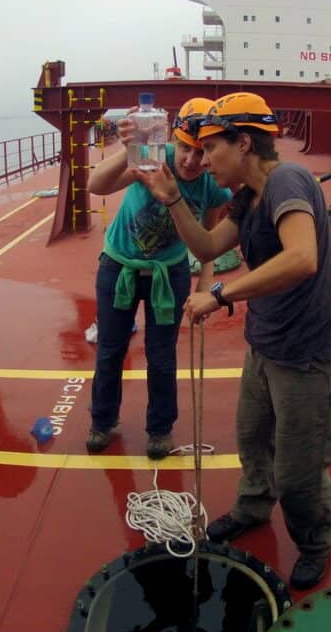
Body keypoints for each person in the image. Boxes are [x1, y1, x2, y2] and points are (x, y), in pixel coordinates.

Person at [135, 91, 331, 589]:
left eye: (212, 148)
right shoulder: (249, 197)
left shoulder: (286, 181)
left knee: (298, 472)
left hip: (307, 356)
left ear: (245, 143)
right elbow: (208, 245)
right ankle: (253, 508)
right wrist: (171, 199)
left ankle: (316, 540)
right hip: (266, 344)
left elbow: (302, 258)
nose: (204, 160)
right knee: (253, 441)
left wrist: (221, 294)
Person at [86, 98, 232, 460]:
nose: (190, 161)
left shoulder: (212, 185)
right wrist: (131, 148)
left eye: (202, 152)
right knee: (109, 350)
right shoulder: (155, 155)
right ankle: (102, 421)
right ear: (174, 141)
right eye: (184, 148)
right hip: (118, 267)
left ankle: (160, 430)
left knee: (162, 356)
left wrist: (205, 288)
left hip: (170, 273)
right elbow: (97, 184)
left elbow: (208, 235)